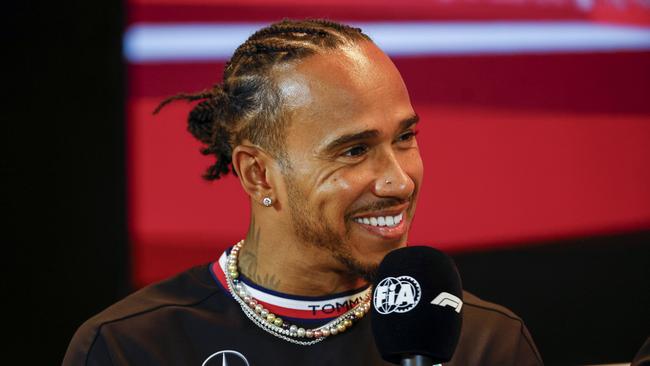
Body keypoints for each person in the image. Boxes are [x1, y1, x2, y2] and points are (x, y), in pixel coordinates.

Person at [64, 19, 543, 365]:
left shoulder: (486, 343)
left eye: (404, 137)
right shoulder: (131, 348)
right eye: (354, 151)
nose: (399, 181)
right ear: (258, 175)